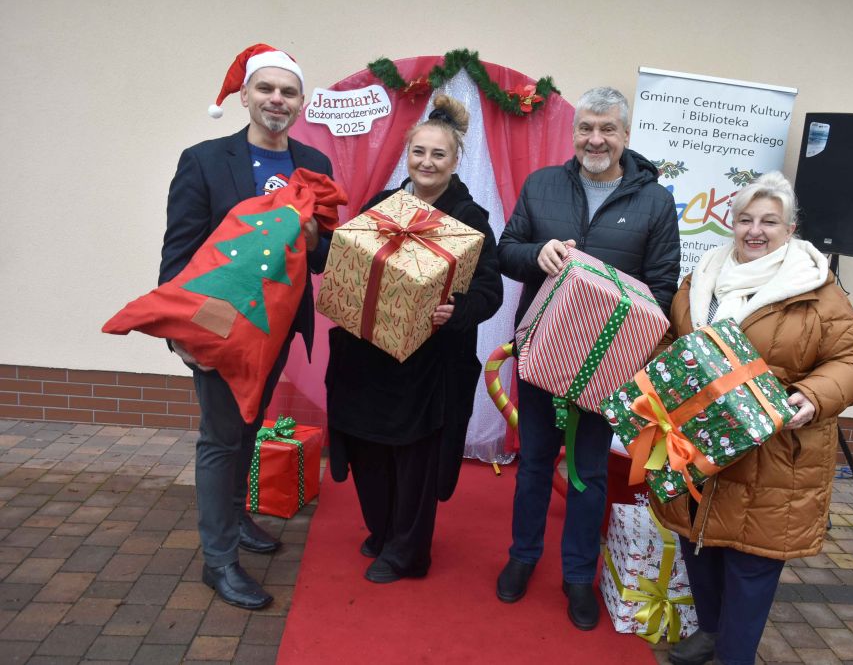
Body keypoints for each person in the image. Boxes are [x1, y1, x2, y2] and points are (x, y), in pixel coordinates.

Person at [653, 171, 853, 665]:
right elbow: (672, 340)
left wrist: (811, 395)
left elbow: (852, 360)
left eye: (769, 222)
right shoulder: (702, 277)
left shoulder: (816, 289)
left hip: (772, 453)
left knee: (751, 564)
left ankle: (735, 654)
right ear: (731, 224)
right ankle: (711, 631)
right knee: (699, 544)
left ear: (790, 229)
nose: (755, 231)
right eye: (746, 219)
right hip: (698, 444)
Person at [496, 86, 681, 630]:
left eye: (607, 129)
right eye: (585, 128)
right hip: (543, 353)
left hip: (606, 367)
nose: (595, 140)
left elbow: (663, 287)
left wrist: (625, 338)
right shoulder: (542, 185)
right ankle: (522, 556)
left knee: (588, 472)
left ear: (626, 135)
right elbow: (506, 251)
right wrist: (538, 254)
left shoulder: (655, 201)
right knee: (533, 462)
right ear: (573, 132)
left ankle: (579, 575)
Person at [159, 43, 333, 610]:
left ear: (301, 103)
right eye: (266, 89)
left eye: (288, 92)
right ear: (245, 96)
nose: (276, 99)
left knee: (251, 425)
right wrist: (183, 334)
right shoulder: (205, 161)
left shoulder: (315, 162)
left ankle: (236, 518)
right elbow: (179, 252)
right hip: (218, 327)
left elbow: (324, 255)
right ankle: (219, 562)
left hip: (277, 328)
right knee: (221, 437)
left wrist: (316, 240)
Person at [325, 95, 503, 584]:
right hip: (368, 360)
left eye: (438, 154)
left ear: (455, 160)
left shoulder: (469, 217)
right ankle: (382, 531)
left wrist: (458, 310)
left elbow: (489, 289)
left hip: (427, 367)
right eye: (418, 152)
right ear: (407, 155)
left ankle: (408, 552)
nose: (427, 162)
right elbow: (348, 254)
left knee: (413, 460)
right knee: (368, 449)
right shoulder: (383, 205)